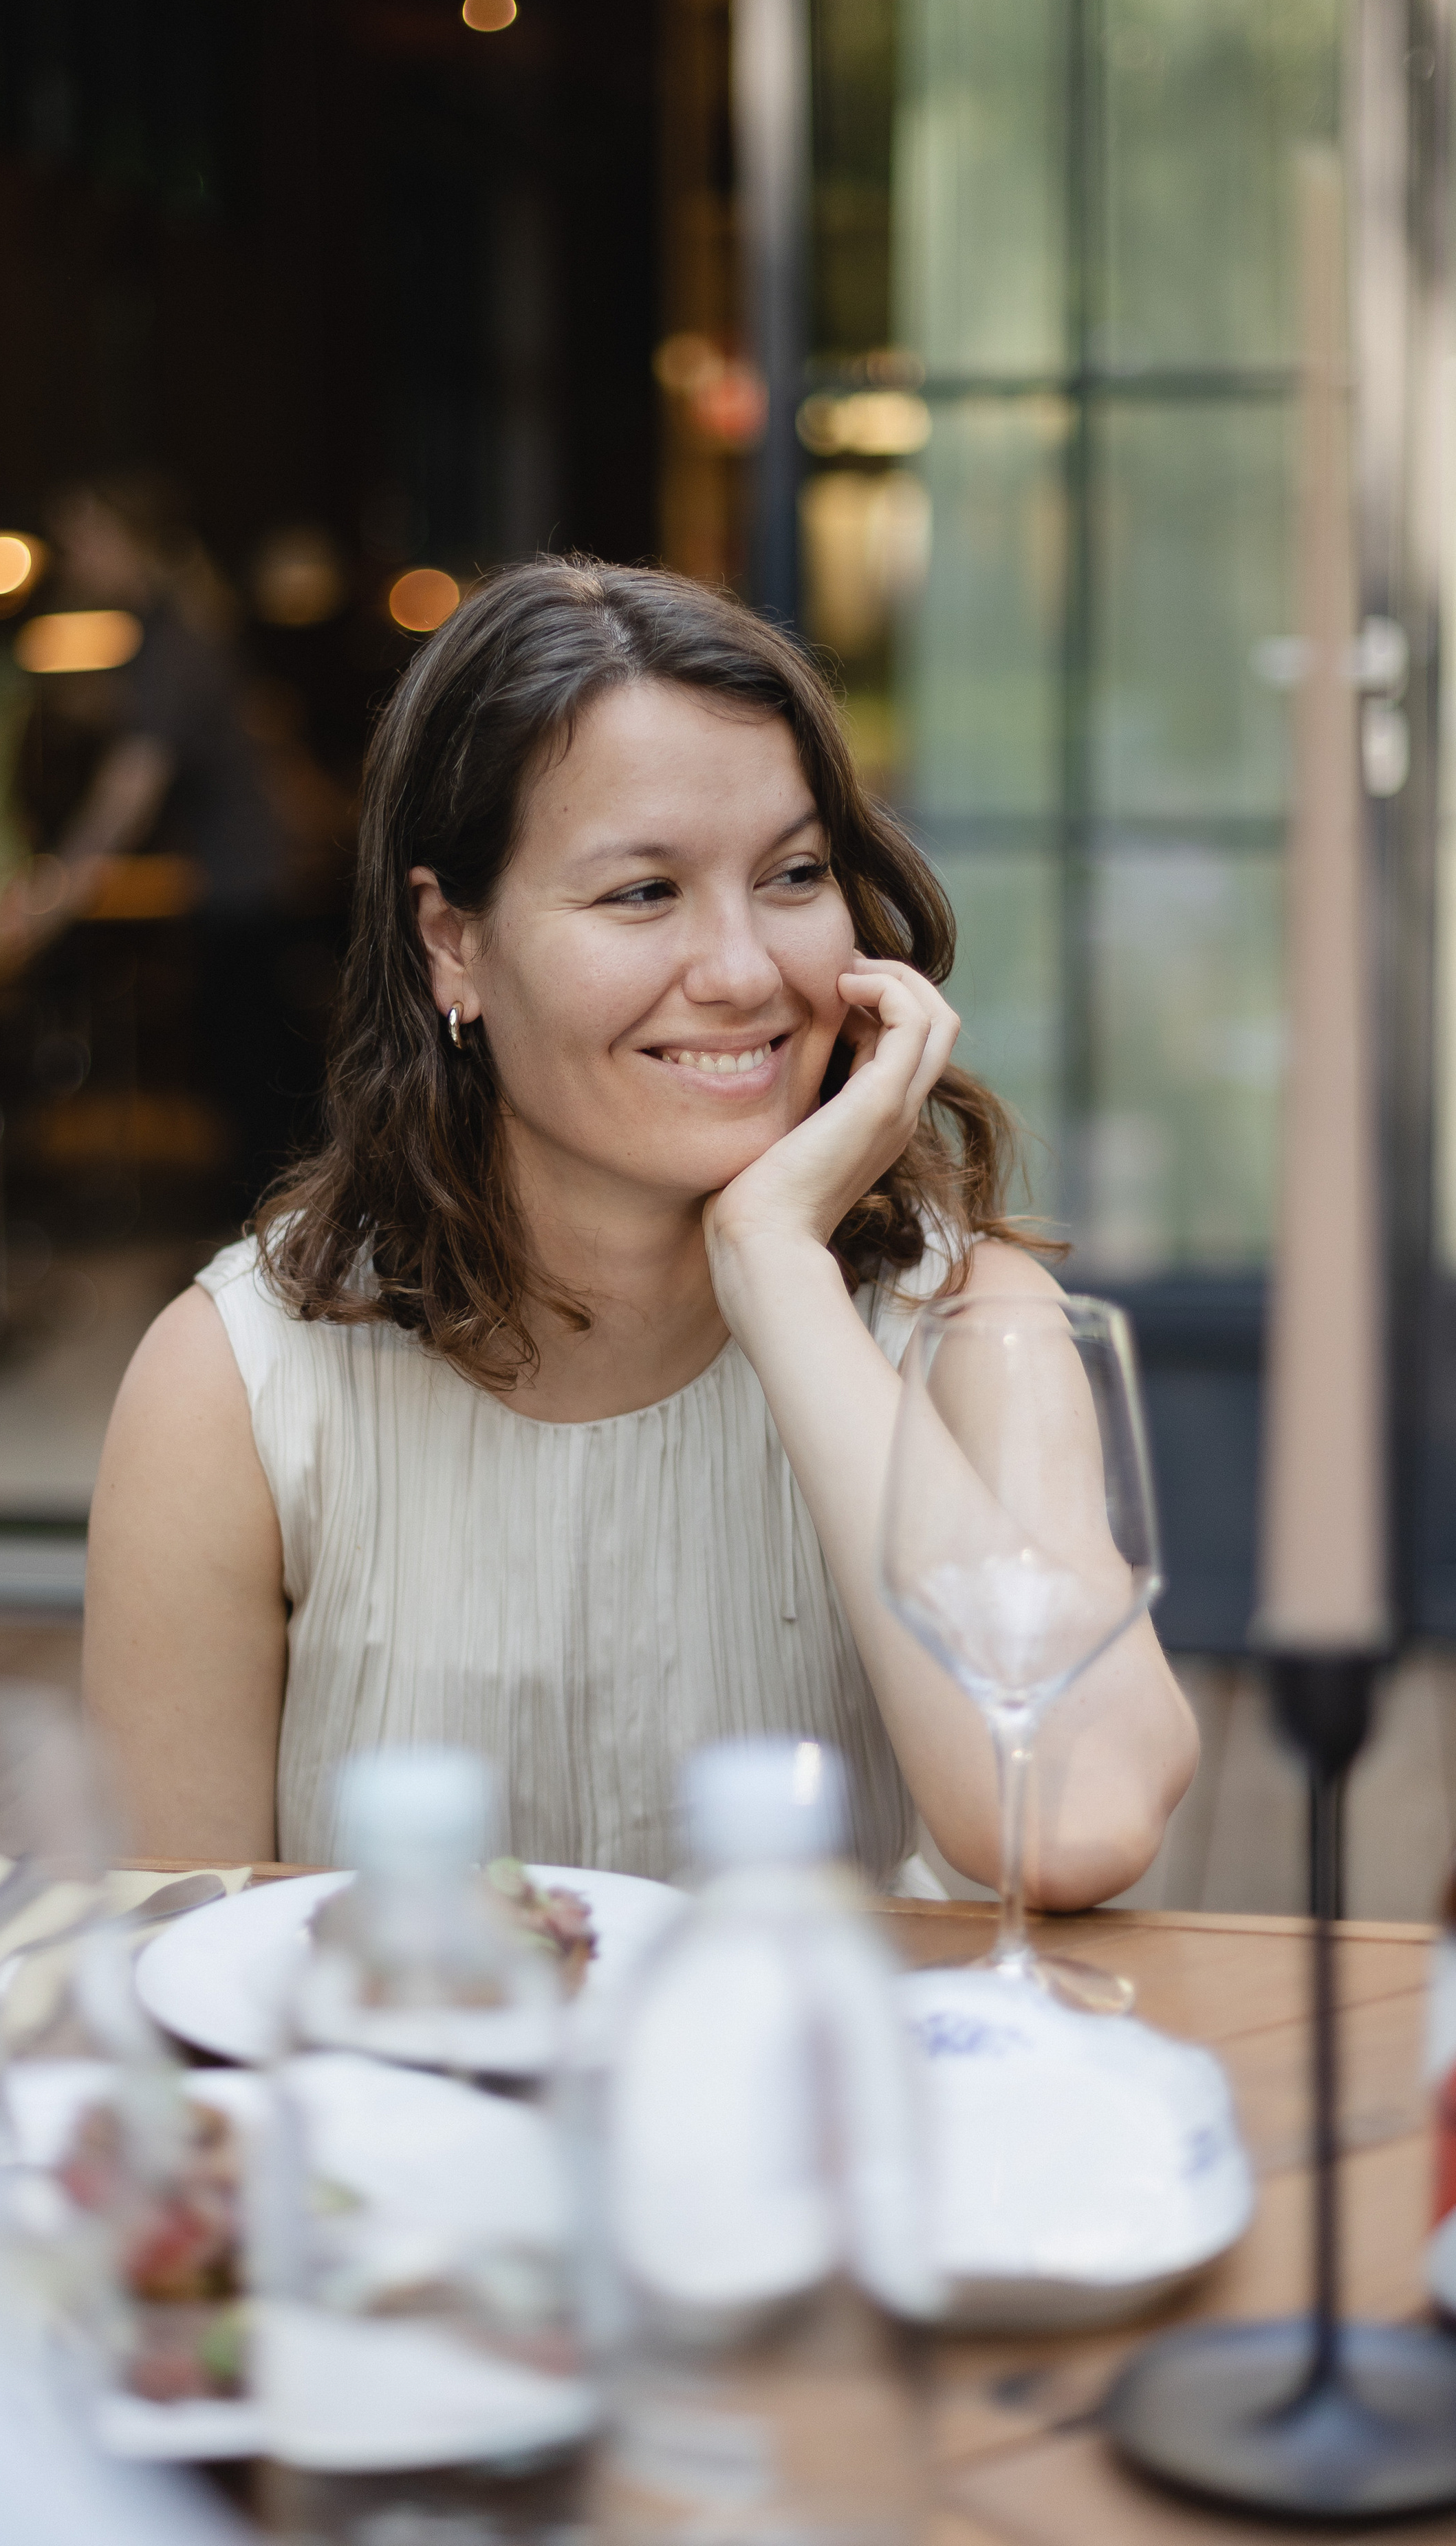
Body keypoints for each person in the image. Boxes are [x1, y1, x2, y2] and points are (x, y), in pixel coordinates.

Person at [83, 561, 1198, 1890]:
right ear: (452, 943)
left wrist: (779, 1265)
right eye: (643, 893)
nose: (741, 973)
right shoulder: (238, 1388)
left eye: (792, 874)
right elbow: (175, 1948)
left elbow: (1072, 1823)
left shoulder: (968, 1327)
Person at [10, 475, 295, 1209]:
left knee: (252, 1080)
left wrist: (57, 890)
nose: (72, 561)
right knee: (249, 1071)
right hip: (237, 877)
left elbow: (126, 794)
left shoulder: (175, 642)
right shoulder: (168, 633)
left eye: (82, 541)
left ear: (126, 542)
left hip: (245, 883)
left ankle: (269, 1264)